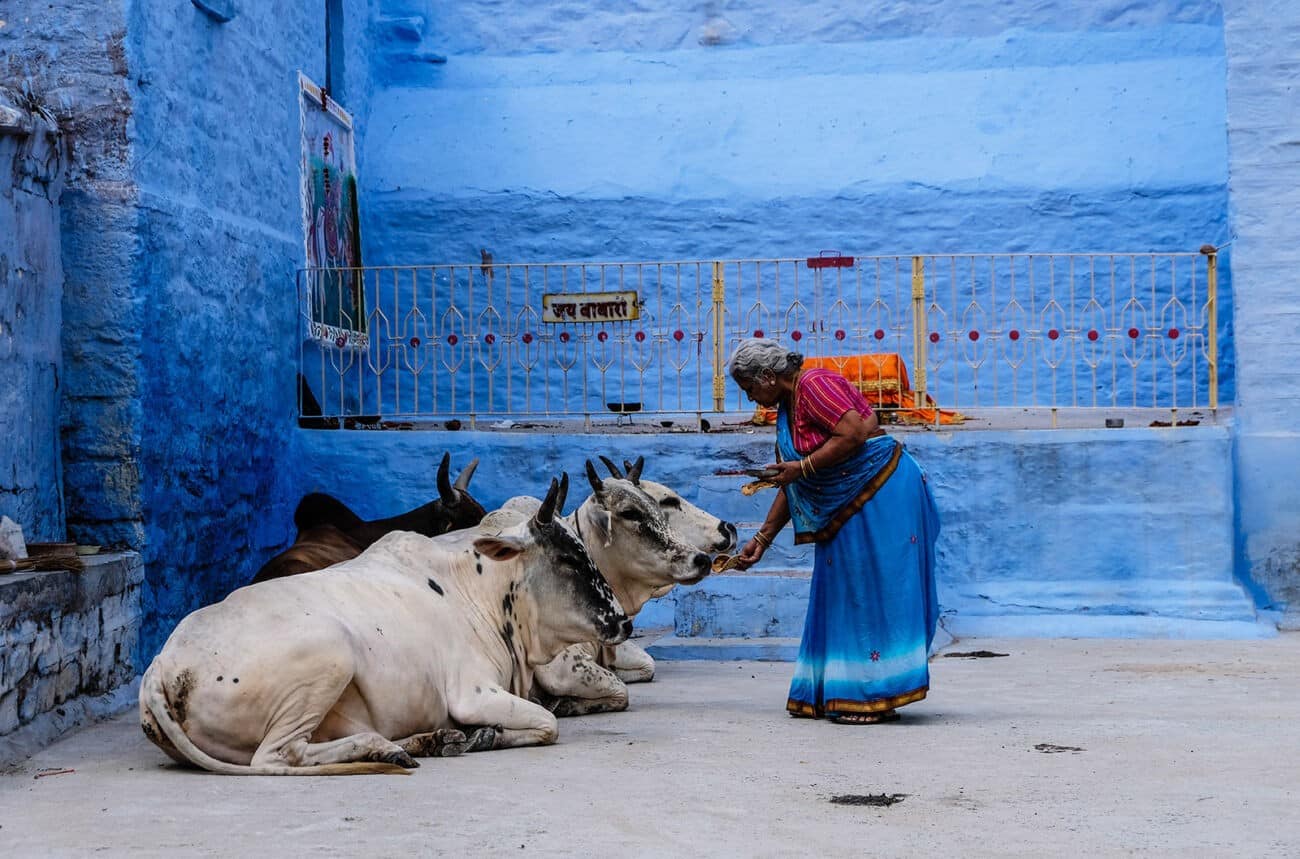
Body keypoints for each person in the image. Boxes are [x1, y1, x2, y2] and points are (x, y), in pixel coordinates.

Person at [729, 338, 940, 724]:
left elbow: (853, 434)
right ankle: (845, 688)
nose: (749, 398)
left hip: (880, 487)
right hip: (844, 499)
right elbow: (794, 480)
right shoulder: (787, 407)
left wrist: (802, 468)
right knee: (843, 589)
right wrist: (762, 539)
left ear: (768, 376)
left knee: (871, 590)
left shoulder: (814, 385)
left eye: (749, 388)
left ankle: (875, 695)